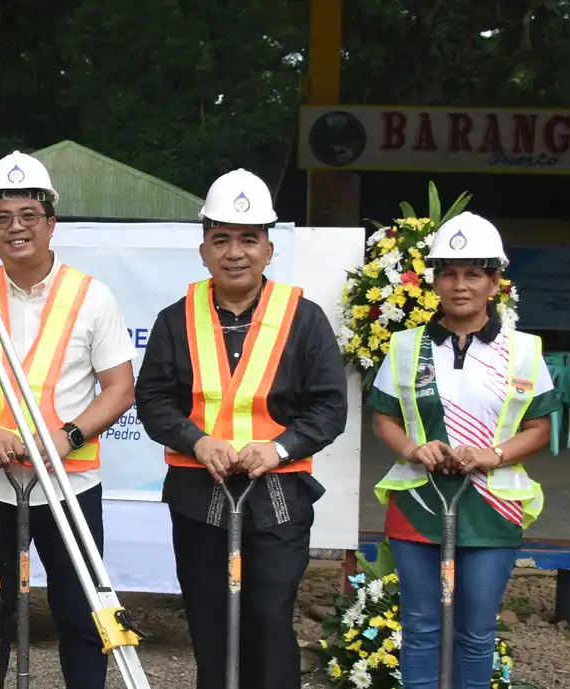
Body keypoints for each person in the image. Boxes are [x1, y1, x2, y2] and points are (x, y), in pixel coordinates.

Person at [135, 168, 346, 689]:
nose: (235, 252)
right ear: (203, 249)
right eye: (222, 239)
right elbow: (153, 400)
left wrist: (279, 448)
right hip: (197, 494)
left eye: (249, 239)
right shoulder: (173, 319)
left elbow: (329, 408)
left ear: (269, 249)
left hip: (279, 497)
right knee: (208, 620)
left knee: (269, 616)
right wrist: (196, 440)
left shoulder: (304, 318)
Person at [0, 151, 137, 689]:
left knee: (81, 615)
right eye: (2, 218)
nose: (16, 228)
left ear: (51, 224)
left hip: (70, 484)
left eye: (28, 215)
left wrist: (67, 436)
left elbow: (120, 389)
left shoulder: (92, 296)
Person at [367, 213, 556, 689]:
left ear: (495, 282)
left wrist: (495, 454)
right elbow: (384, 418)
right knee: (421, 628)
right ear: (435, 281)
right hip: (417, 501)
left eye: (473, 273)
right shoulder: (406, 346)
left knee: (476, 632)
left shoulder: (525, 350)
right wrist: (413, 449)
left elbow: (539, 428)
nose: (460, 285)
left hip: (493, 506)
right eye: (449, 273)